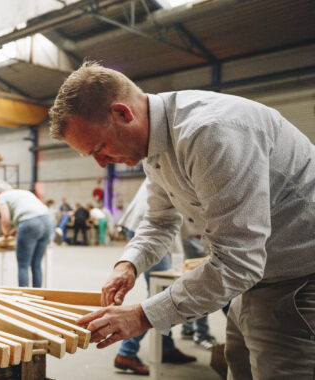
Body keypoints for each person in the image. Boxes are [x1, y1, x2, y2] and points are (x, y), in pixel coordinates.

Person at [49, 61, 315, 378]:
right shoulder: (155, 149)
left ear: (122, 113)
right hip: (257, 281)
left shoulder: (210, 134)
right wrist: (128, 264)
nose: (102, 163)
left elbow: (238, 263)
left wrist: (141, 316)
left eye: (100, 148)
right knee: (240, 367)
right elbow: (160, 222)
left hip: (299, 282)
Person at [115, 179, 195, 375]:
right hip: (145, 224)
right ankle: (127, 352)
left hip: (142, 220)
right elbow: (168, 226)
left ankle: (166, 347)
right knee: (162, 291)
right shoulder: (185, 169)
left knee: (160, 289)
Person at [0, 182, 53, 288]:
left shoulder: (2, 196)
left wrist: (5, 233)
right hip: (47, 222)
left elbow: (5, 220)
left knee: (23, 265)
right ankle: (38, 296)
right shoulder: (25, 193)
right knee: (36, 264)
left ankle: (24, 297)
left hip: (30, 223)